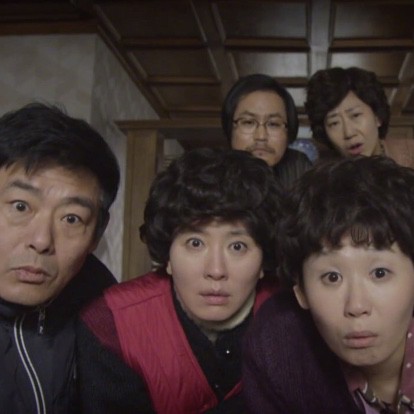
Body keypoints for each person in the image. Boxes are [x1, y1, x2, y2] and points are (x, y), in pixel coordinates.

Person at [77, 148, 283, 414]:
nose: (216, 270)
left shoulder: (296, 318)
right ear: (168, 257)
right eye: (195, 243)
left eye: (237, 247)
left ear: (263, 260)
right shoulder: (110, 325)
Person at [243, 156, 414, 413]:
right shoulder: (278, 349)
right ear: (301, 290)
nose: (356, 306)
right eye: (332, 277)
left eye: (380, 273)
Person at [0, 102, 120, 413]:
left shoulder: (104, 313)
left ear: (96, 235)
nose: (41, 241)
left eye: (71, 219)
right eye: (20, 206)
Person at [305, 66, 414, 167]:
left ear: (377, 117)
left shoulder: (411, 154)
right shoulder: (325, 176)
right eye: (334, 123)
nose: (348, 133)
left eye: (355, 115)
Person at [221, 73, 312, 188]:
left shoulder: (299, 167)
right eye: (248, 122)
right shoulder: (211, 178)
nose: (261, 136)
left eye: (273, 124)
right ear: (230, 127)